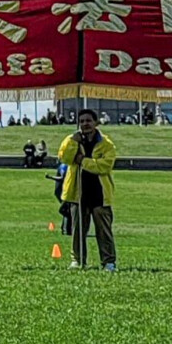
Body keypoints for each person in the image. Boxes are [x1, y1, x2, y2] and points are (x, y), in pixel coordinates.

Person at [58, 108, 118, 271]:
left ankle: (108, 261)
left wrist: (83, 161)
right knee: (78, 230)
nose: (85, 124)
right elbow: (65, 158)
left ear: (96, 123)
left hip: (100, 194)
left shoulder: (106, 144)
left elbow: (104, 166)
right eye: (82, 121)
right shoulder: (72, 140)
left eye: (88, 121)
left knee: (104, 230)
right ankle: (77, 260)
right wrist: (72, 142)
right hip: (78, 192)